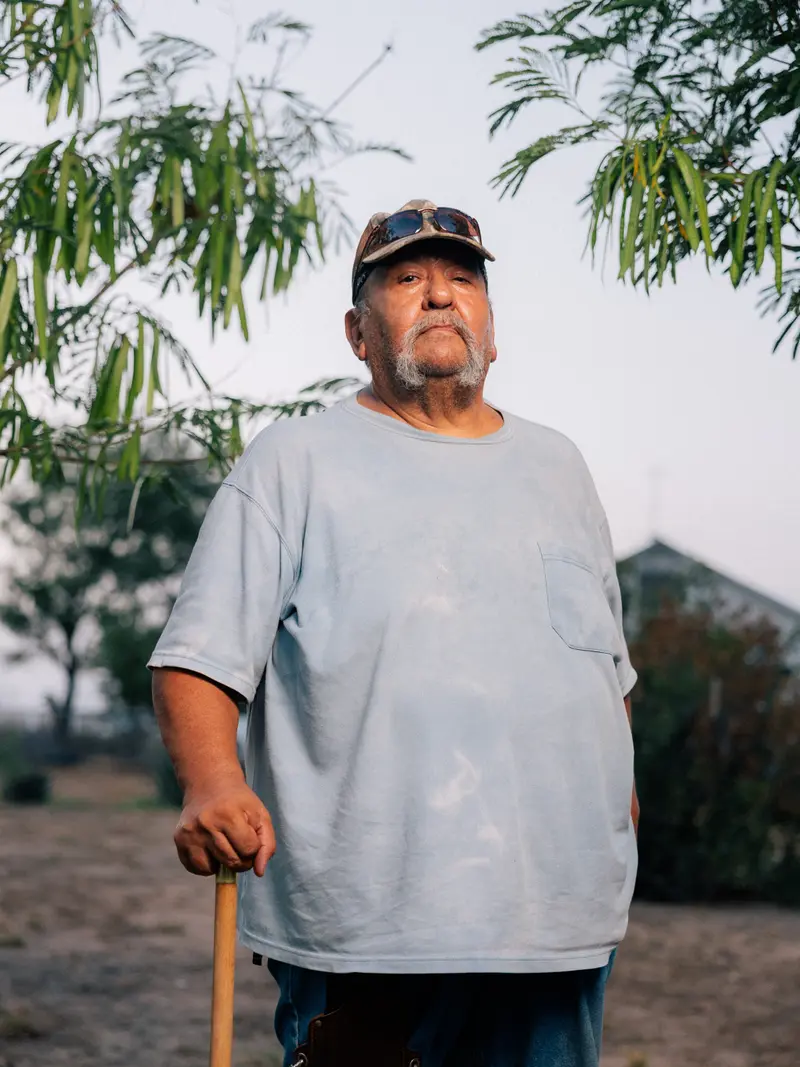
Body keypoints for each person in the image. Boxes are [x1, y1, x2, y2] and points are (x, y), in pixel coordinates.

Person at [149, 199, 639, 1067]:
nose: (440, 296)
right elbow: (198, 658)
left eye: (462, 281)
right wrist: (211, 781)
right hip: (368, 929)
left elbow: (606, 669)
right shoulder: (295, 460)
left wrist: (620, 796)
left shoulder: (560, 467)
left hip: (557, 928)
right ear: (357, 331)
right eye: (408, 280)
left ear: (493, 324)